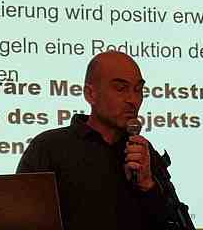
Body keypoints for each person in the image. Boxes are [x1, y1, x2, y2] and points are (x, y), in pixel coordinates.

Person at [16, 51, 173, 230]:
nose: (133, 100)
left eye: (138, 90)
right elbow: (19, 216)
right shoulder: (49, 147)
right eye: (120, 89)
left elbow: (168, 221)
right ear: (90, 94)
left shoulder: (142, 152)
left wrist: (147, 186)